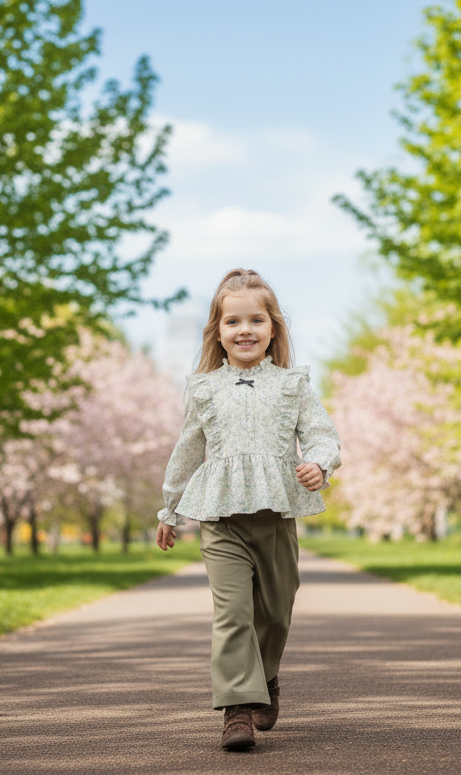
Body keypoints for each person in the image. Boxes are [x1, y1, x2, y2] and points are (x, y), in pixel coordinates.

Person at [155, 268, 341, 751]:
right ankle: (236, 709)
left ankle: (268, 677)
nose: (245, 330)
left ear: (273, 329)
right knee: (232, 612)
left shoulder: (292, 384)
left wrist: (319, 464)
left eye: (256, 320)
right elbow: (187, 451)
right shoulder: (203, 388)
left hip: (276, 515)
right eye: (232, 321)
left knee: (276, 614)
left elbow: (321, 435)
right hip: (220, 519)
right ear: (218, 331)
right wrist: (169, 510)